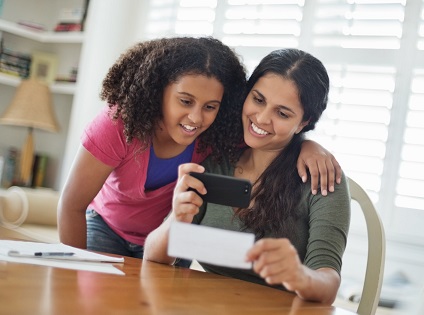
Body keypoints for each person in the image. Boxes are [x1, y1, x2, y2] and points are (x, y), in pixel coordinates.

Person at [58, 37, 341, 262]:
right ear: (159, 91)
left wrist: (307, 144)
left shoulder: (221, 132)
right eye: (184, 101)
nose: (196, 118)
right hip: (107, 227)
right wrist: (74, 271)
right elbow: (71, 205)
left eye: (210, 106)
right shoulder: (121, 123)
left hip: (173, 239)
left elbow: (271, 134)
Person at [143, 48, 351, 304]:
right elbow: (154, 257)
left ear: (304, 123)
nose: (262, 118)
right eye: (258, 99)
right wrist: (177, 217)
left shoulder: (322, 180)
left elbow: (328, 283)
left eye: (282, 113)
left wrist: (300, 275)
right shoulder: (215, 164)